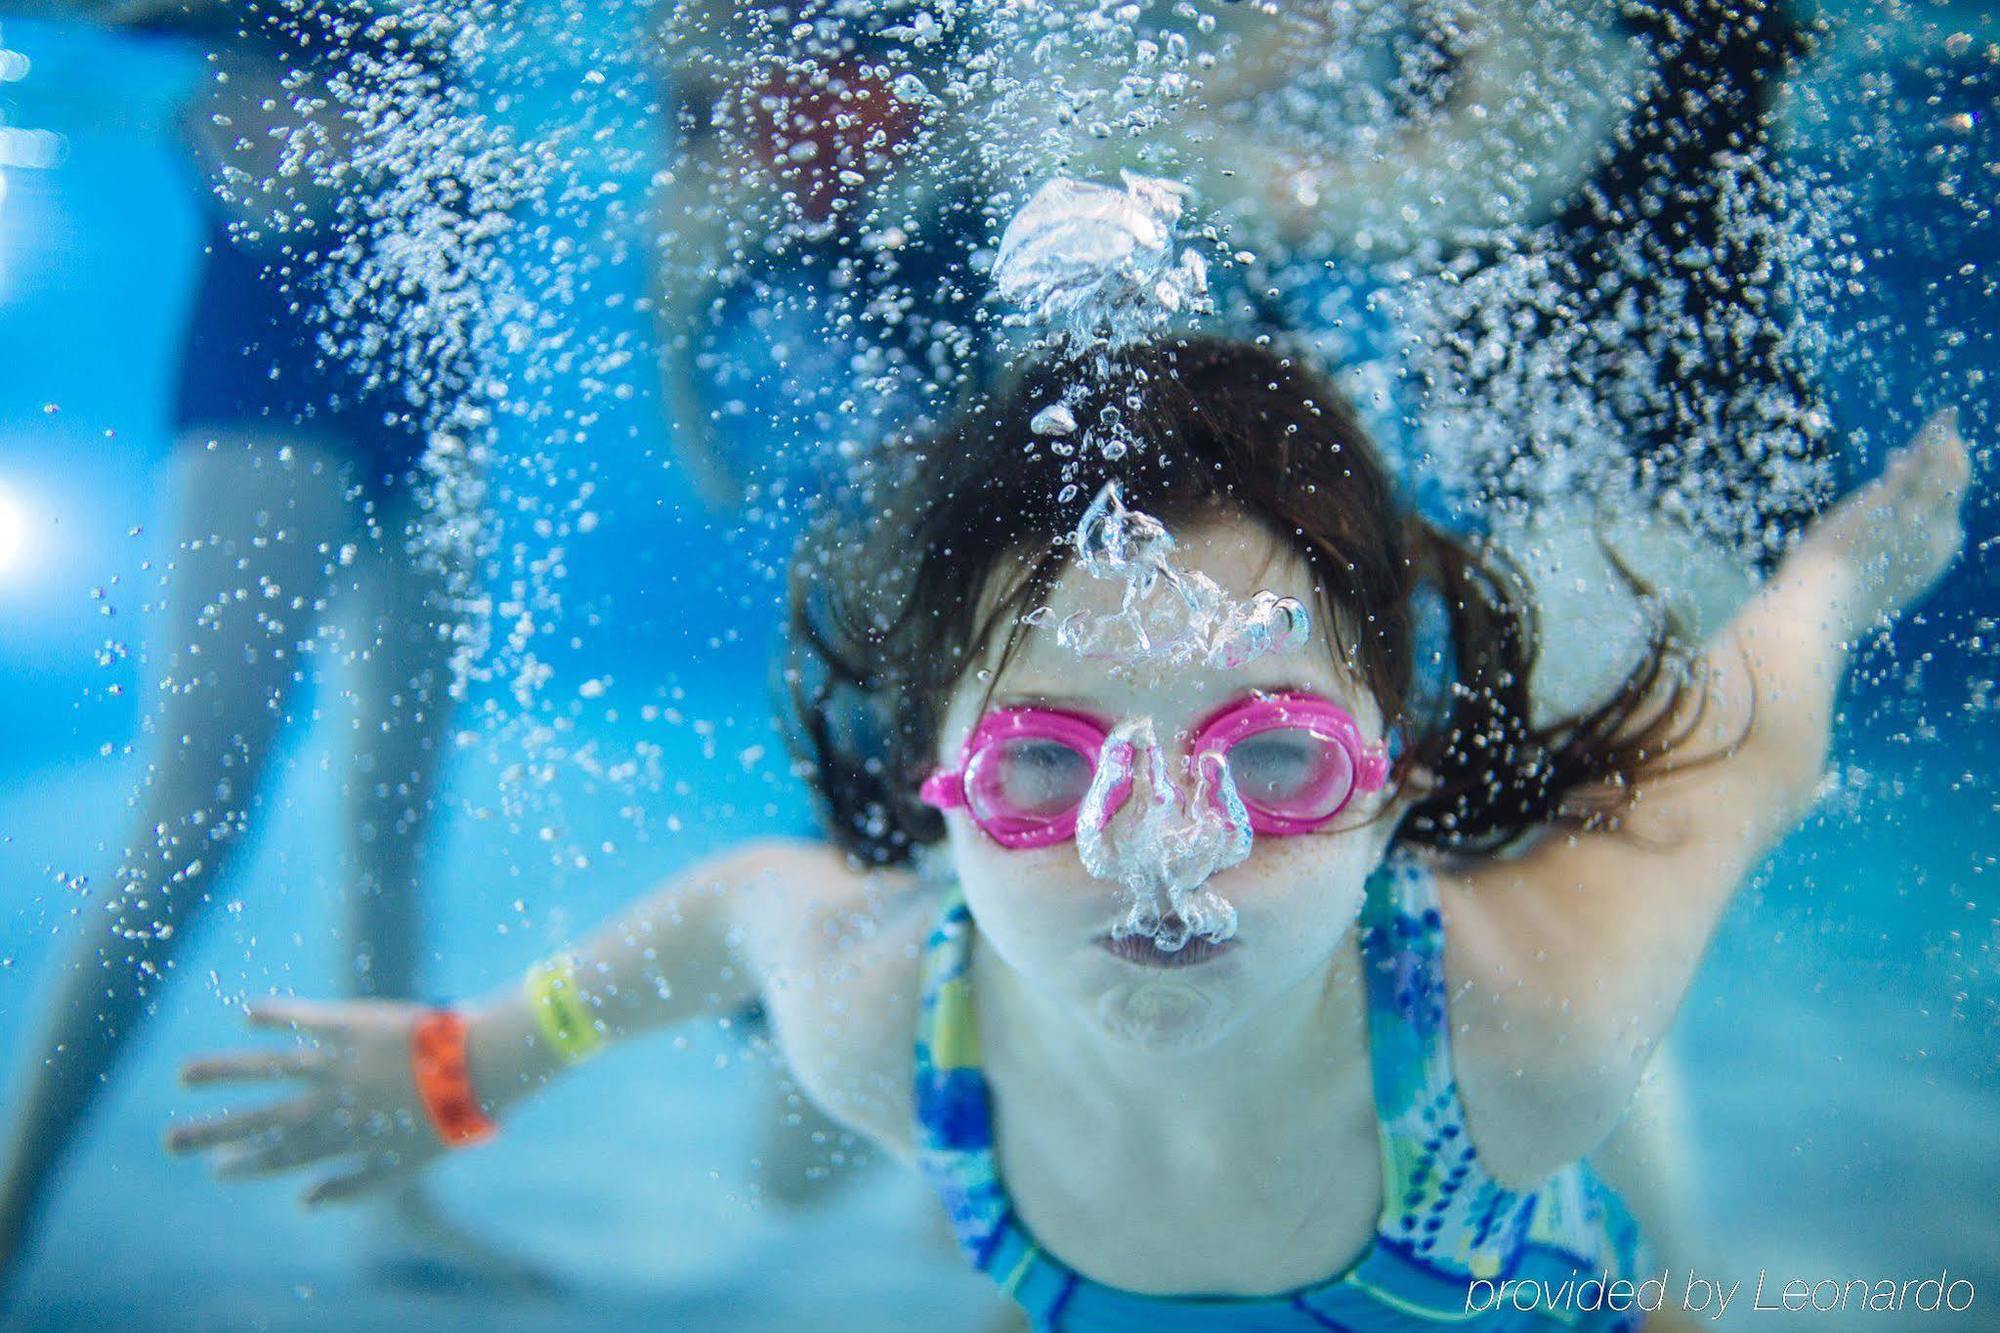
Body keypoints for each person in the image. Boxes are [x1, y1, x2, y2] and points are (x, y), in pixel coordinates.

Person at [162, 337, 1969, 1328]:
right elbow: (739, 909)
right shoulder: (894, 1025)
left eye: (1269, 762)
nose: (1158, 845)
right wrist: (484, 1058)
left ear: (1395, 789)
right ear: (934, 797)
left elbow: (1735, 761)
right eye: (1044, 766)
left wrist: (1829, 579)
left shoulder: (1528, 1040)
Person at [0, 0, 536, 1293]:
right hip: (269, 388)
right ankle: (11, 1211)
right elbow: (249, 156)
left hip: (435, 396)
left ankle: (401, 1195)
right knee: (189, 820)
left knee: (396, 824)